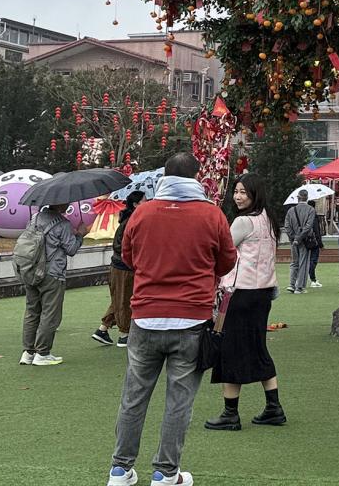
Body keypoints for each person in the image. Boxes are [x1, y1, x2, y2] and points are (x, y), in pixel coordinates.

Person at [106, 151, 237, 486]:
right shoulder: (212, 215)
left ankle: (120, 469)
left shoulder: (143, 213)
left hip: (146, 317)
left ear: (165, 176)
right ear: (196, 177)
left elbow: (129, 256)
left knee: (134, 396)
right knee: (179, 401)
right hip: (191, 320)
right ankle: (166, 472)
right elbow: (225, 263)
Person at [205, 173, 287, 432]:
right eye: (236, 191)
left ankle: (231, 413)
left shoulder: (242, 221)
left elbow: (223, 252)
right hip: (263, 293)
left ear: (254, 194)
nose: (238, 197)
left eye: (243, 192)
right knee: (258, 347)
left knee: (228, 350)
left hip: (238, 294)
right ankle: (274, 407)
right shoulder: (270, 220)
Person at [19, 202, 83, 366]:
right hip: (52, 273)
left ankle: (28, 352)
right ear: (60, 205)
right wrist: (80, 234)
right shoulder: (63, 223)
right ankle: (43, 353)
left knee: (32, 311)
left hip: (30, 270)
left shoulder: (34, 219)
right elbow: (71, 249)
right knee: (50, 313)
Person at [95, 191, 144, 349]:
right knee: (124, 299)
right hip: (124, 266)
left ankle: (103, 328)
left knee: (120, 298)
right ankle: (124, 334)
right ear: (136, 204)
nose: (148, 202)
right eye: (144, 200)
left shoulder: (131, 220)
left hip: (123, 265)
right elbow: (123, 246)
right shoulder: (131, 222)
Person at [283, 191, 319, 294]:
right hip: (305, 239)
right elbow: (308, 226)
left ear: (297, 198)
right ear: (307, 198)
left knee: (294, 262)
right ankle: (299, 286)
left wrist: (293, 238)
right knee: (304, 262)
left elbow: (287, 226)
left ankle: (291, 284)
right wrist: (299, 238)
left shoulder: (291, 210)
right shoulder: (311, 210)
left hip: (294, 240)